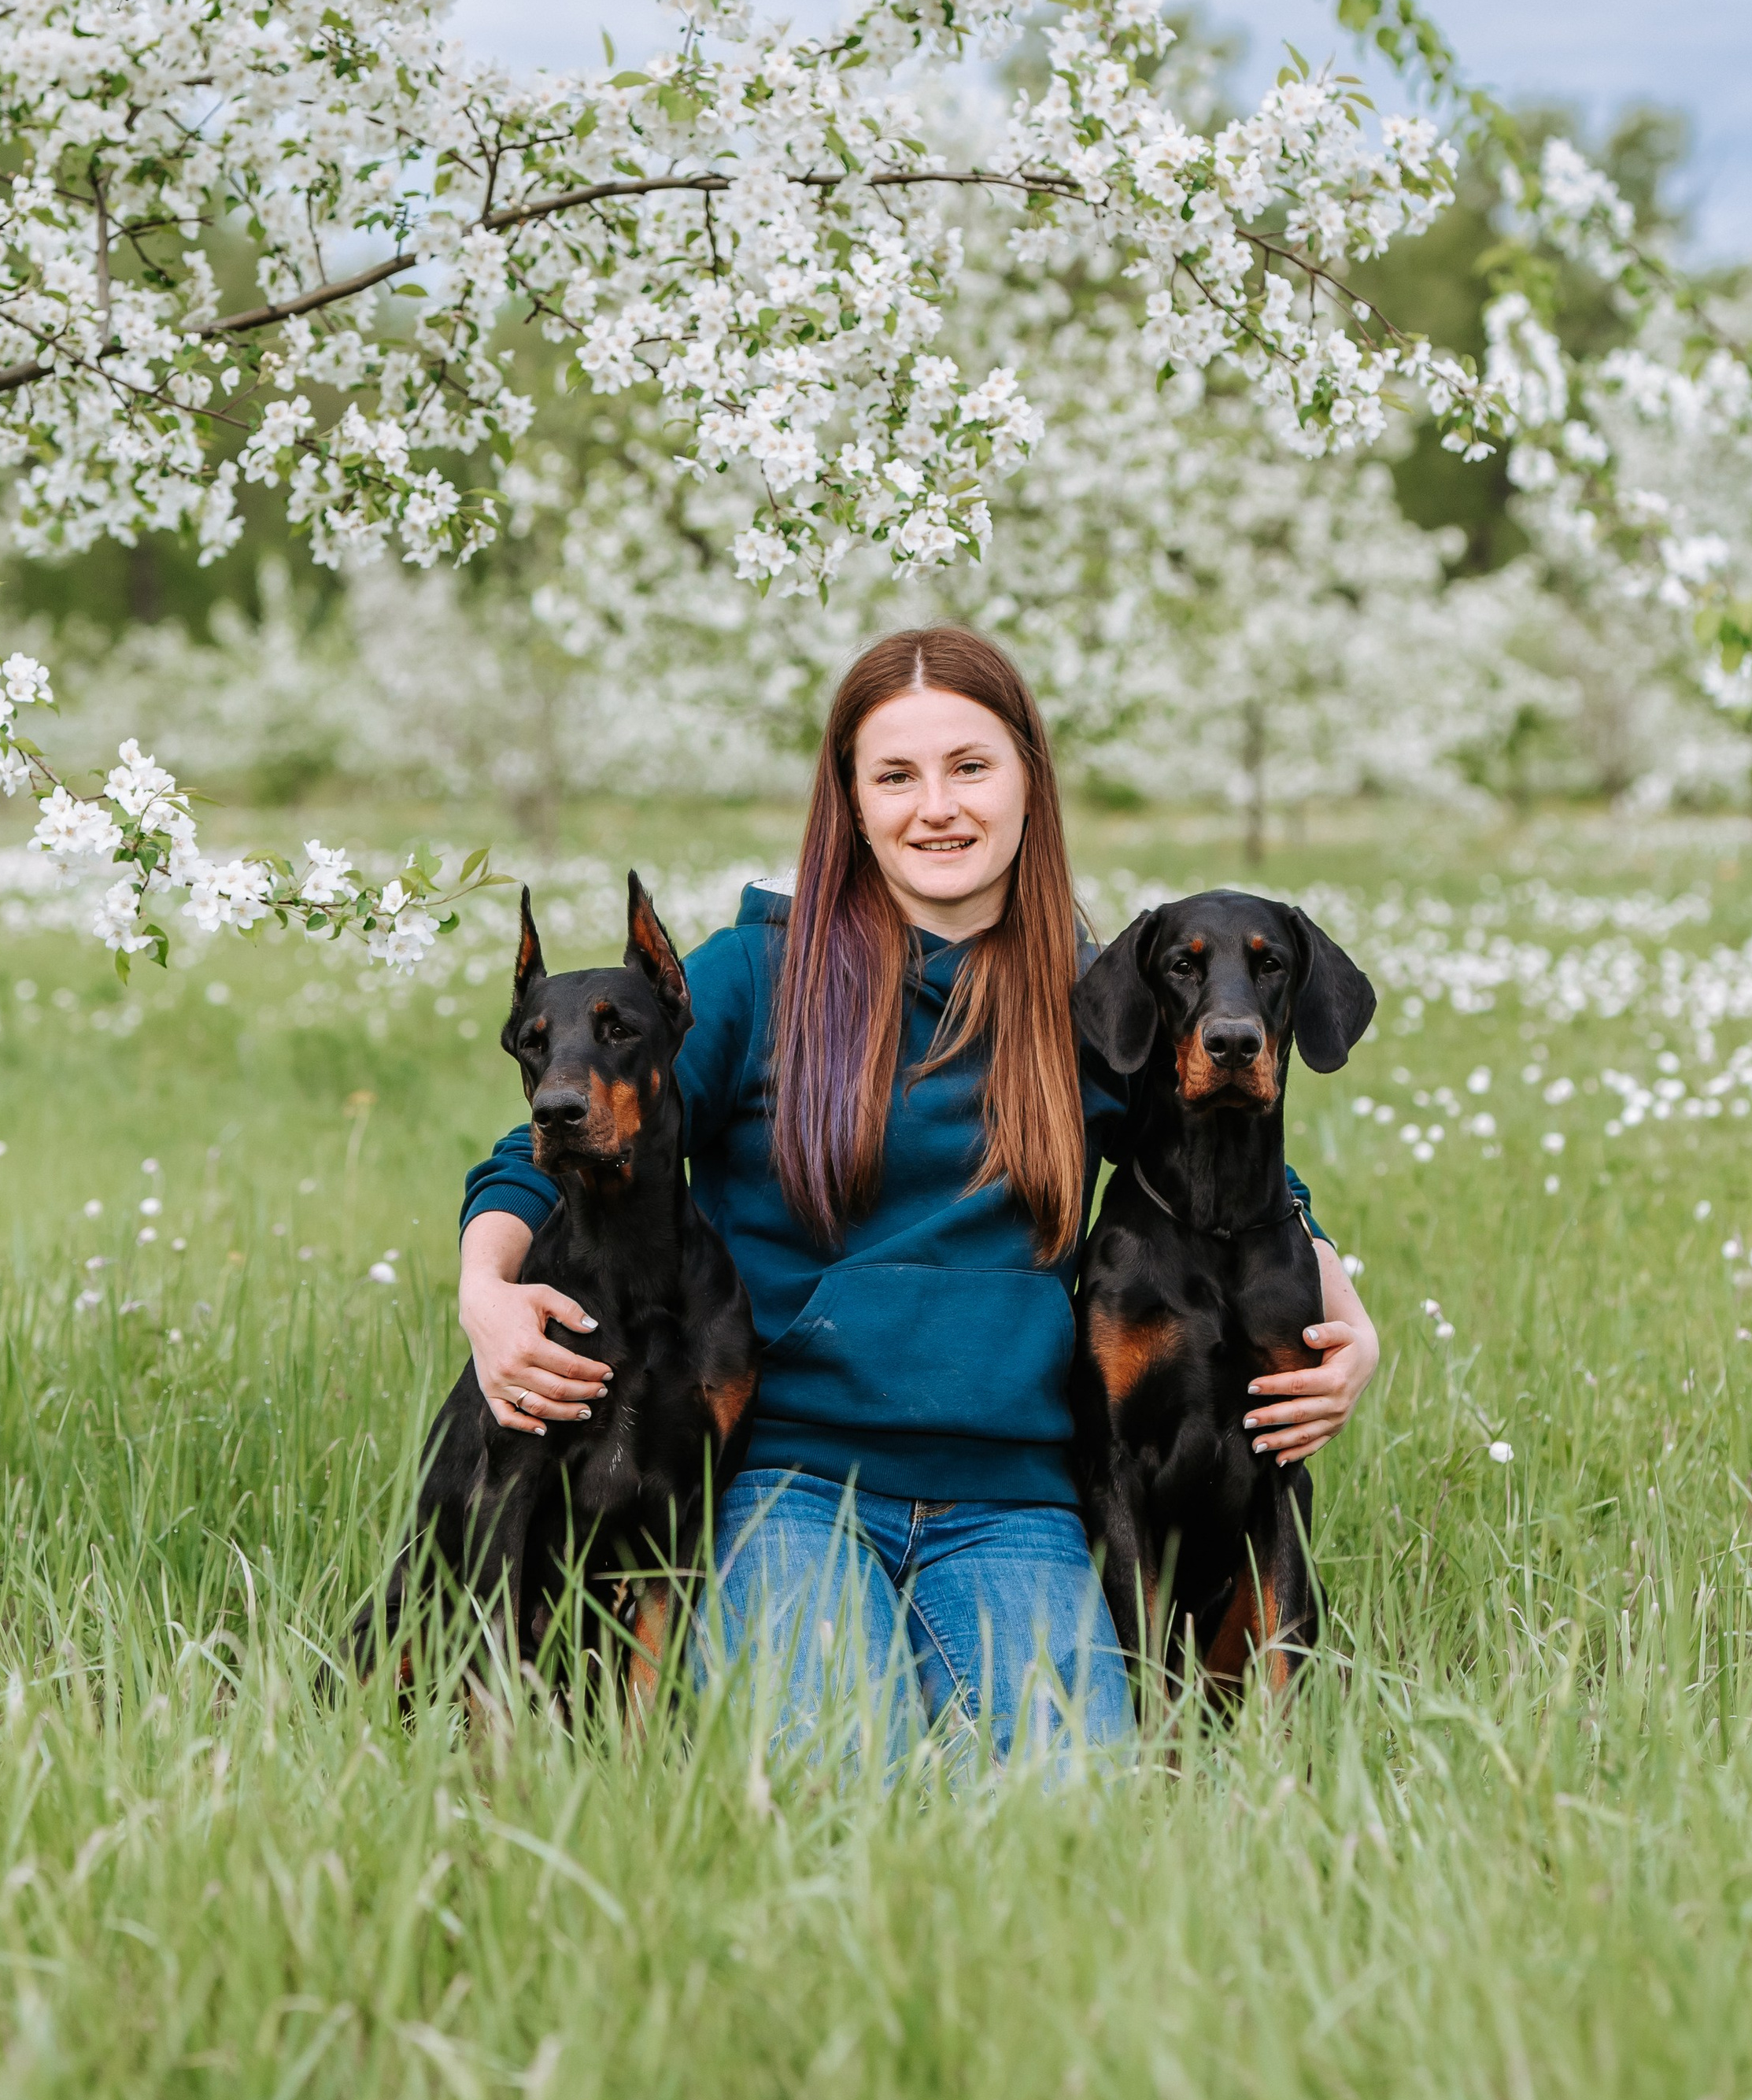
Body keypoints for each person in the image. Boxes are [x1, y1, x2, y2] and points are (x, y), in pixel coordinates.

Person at [456, 627, 1380, 1761]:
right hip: (786, 1492)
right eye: (896, 774)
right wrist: (485, 1291)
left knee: (1072, 1809)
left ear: (1029, 784)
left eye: (970, 767)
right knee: (846, 1777)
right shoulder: (755, 980)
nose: (936, 806)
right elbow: (550, 1137)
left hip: (1017, 1506)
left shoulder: (1088, 1004)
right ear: (849, 800)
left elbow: (1227, 1172)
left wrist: (1348, 1317)